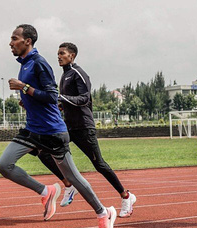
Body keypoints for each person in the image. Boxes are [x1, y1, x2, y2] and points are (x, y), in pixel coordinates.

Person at [0, 24, 117, 228]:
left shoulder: (39, 63)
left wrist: (24, 88)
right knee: (4, 165)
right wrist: (27, 99)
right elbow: (37, 96)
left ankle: (103, 212)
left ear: (28, 41)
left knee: (73, 178)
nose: (10, 43)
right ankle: (46, 191)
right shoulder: (24, 64)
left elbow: (52, 96)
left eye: (14, 38)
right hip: (32, 129)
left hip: (53, 132)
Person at [35, 42, 136, 218]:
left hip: (84, 127)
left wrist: (60, 97)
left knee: (99, 164)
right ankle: (68, 184)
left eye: (62, 53)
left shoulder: (78, 73)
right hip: (67, 126)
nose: (58, 56)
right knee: (43, 152)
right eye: (57, 53)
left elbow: (83, 99)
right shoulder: (65, 76)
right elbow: (65, 102)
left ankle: (126, 196)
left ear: (72, 56)